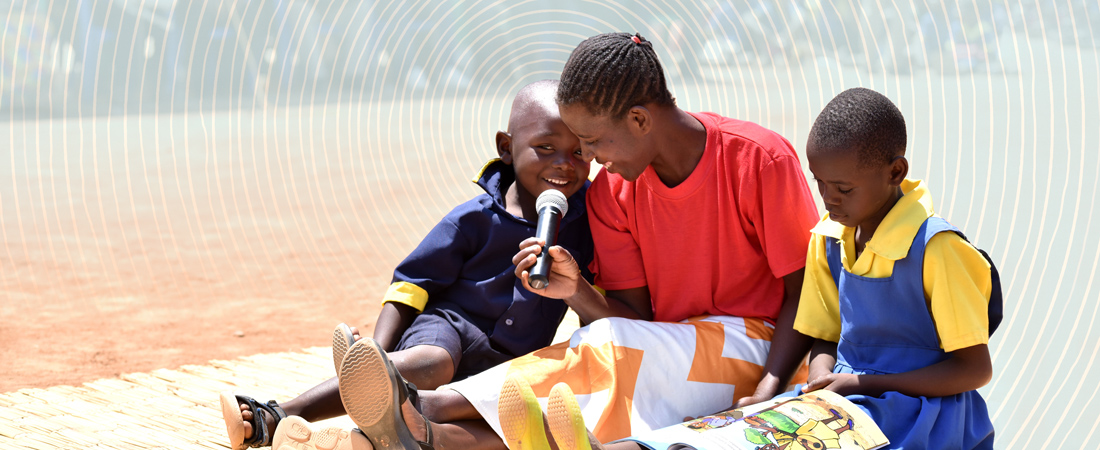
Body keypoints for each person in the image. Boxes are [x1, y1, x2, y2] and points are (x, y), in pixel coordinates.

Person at [287, 32, 821, 450]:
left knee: (604, 355)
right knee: (581, 377)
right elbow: (629, 316)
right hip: (660, 349)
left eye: (591, 143)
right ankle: (415, 434)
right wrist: (575, 291)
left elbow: (807, 292)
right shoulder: (613, 192)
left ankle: (420, 405)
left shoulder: (758, 159)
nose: (590, 160)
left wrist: (771, 386)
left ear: (638, 119)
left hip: (760, 346)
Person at [547, 87, 998, 450]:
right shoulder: (830, 237)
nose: (830, 200)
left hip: (923, 419)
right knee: (721, 430)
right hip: (848, 400)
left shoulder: (938, 249)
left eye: (843, 187)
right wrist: (802, 381)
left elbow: (974, 371)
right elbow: (824, 332)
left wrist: (860, 381)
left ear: (895, 171)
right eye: (821, 186)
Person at [218, 79, 595, 450]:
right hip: (450, 329)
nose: (564, 164)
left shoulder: (587, 229)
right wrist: (372, 353)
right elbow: (411, 285)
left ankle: (344, 440)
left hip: (509, 361)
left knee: (472, 412)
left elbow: (599, 310)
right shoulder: (473, 219)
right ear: (506, 148)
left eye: (579, 153)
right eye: (545, 148)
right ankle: (281, 413)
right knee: (435, 363)